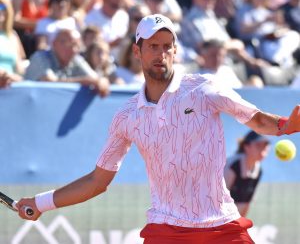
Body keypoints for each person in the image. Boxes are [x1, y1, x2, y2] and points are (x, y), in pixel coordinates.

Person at [17, 14, 300, 244]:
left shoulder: (204, 88)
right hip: (165, 230)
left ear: (175, 51)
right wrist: (41, 203)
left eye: (167, 46)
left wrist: (287, 126)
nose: (161, 53)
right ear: (137, 52)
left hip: (221, 225)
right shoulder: (127, 116)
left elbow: (257, 119)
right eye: (153, 46)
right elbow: (97, 181)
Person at [24, 28, 110, 97]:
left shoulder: (76, 59)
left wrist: (101, 81)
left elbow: (95, 79)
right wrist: (85, 81)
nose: (73, 50)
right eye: (68, 45)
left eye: (76, 46)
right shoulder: (40, 57)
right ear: (54, 44)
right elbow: (50, 83)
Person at [224, 130, 271, 217]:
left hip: (230, 218)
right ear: (246, 146)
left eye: (265, 145)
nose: (263, 149)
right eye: (258, 145)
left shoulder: (258, 170)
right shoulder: (233, 165)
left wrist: (240, 226)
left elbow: (246, 203)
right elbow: (216, 199)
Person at [0, 0, 25, 88]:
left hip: (12, 87)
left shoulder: (12, 36)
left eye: (2, 6)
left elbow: (20, 70)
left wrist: (15, 78)